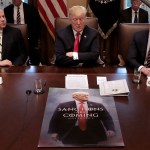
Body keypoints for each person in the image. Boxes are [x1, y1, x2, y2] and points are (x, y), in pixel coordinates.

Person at [48, 91, 115, 145]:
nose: (85, 97)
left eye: (86, 95)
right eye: (81, 95)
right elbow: (55, 120)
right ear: (74, 97)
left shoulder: (98, 105)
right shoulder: (63, 106)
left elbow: (107, 118)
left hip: (92, 132)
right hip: (70, 132)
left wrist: (110, 129)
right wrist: (53, 132)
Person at [4, 0, 41, 65]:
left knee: (34, 56)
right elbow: (6, 28)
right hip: (13, 40)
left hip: (29, 39)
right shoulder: (7, 10)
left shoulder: (31, 9)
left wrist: (29, 37)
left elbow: (36, 25)